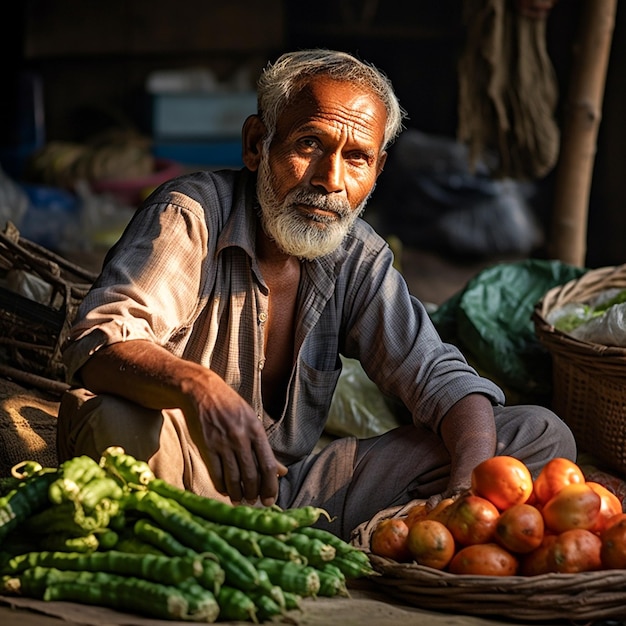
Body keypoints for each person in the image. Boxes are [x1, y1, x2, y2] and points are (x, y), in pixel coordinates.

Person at [57, 49, 576, 541]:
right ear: (257, 144)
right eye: (310, 145)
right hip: (189, 474)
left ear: (377, 171)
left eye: (356, 158)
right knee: (114, 420)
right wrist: (200, 389)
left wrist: (466, 496)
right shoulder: (189, 215)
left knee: (536, 435)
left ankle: (294, 538)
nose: (330, 180)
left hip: (294, 490)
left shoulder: (357, 254)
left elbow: (438, 376)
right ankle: (210, 540)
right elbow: (98, 343)